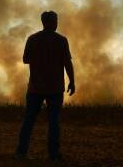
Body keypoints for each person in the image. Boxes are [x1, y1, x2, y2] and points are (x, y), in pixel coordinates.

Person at [15, 10, 75, 161]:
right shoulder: (61, 40)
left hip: (35, 87)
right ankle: (53, 155)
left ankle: (21, 153)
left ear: (43, 22)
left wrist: (39, 58)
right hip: (55, 88)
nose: (56, 23)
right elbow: (67, 62)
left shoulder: (32, 39)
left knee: (29, 119)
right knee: (54, 121)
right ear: (54, 23)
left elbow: (25, 59)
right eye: (56, 21)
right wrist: (72, 81)